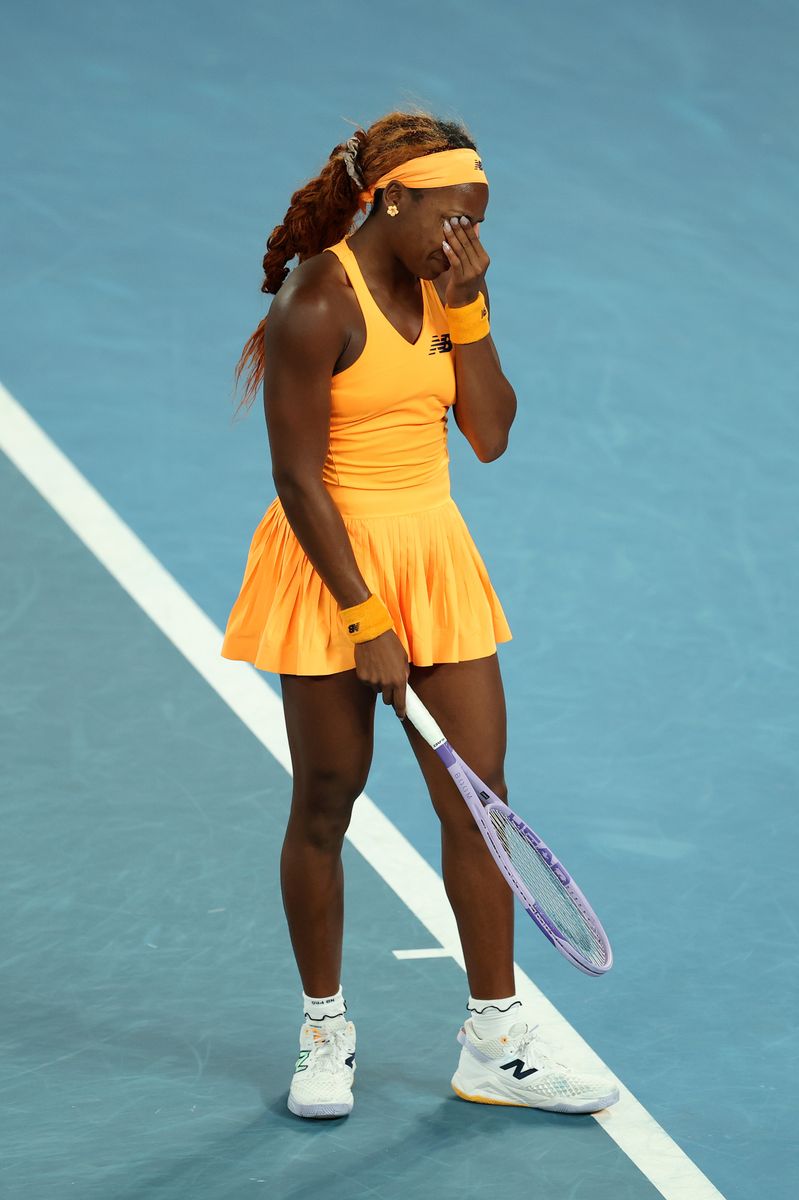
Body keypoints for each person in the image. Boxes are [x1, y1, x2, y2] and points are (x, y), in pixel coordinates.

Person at [221, 110, 619, 1119]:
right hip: (332, 564)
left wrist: (471, 306)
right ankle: (323, 1030)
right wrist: (363, 620)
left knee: (477, 800)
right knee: (326, 799)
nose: (465, 239)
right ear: (391, 199)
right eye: (452, 218)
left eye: (477, 224)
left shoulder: (453, 286)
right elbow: (295, 478)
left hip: (434, 558)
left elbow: (487, 435)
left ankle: (494, 1039)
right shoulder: (317, 301)